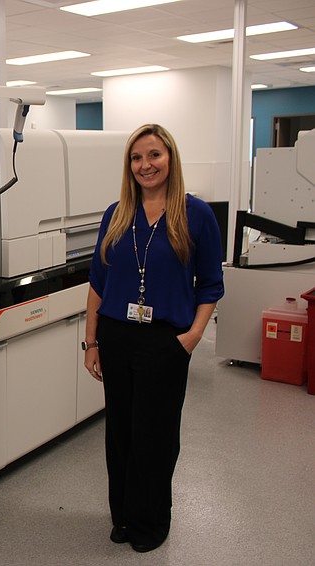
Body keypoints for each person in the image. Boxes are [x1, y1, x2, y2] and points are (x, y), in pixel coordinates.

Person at [83, 123, 224, 553]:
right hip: (118, 335)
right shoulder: (116, 213)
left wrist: (193, 337)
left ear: (170, 158)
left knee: (157, 435)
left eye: (154, 155)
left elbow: (211, 285)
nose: (145, 165)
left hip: (166, 339)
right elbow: (97, 284)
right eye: (136, 158)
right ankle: (123, 516)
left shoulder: (195, 213)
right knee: (121, 433)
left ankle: (151, 521)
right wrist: (92, 342)